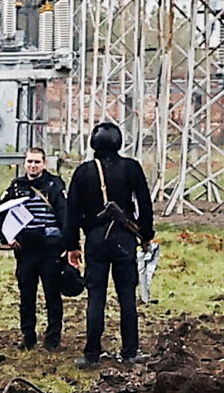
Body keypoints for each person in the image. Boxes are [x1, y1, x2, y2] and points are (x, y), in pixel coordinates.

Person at [66, 119, 158, 362]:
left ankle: (92, 354)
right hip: (124, 238)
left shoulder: (84, 171)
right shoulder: (131, 168)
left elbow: (72, 211)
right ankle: (130, 353)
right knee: (127, 296)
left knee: (96, 297)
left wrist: (72, 245)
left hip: (95, 238)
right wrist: (146, 235)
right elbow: (144, 205)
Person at [0, 155, 74, 350]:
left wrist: (68, 243)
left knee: (52, 294)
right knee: (26, 295)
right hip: (26, 250)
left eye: (37, 162)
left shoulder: (55, 185)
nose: (33, 166)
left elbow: (64, 214)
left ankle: (52, 338)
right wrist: (6, 236)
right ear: (24, 164)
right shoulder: (16, 186)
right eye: (29, 162)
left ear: (44, 164)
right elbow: (2, 211)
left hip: (50, 248)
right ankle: (28, 337)